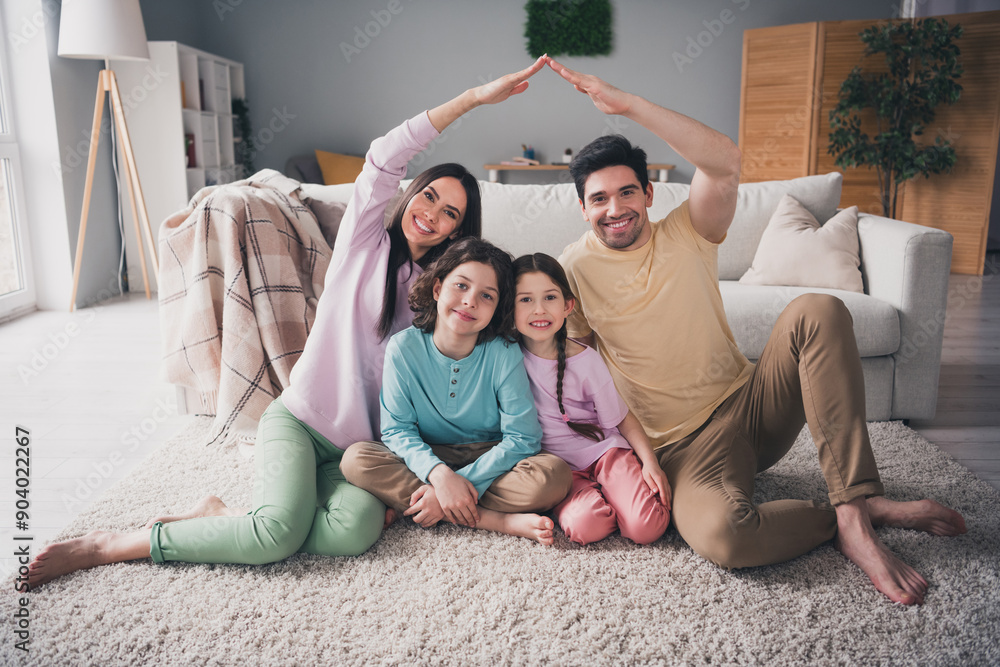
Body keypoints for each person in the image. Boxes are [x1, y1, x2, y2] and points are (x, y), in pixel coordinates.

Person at [27, 58, 548, 587]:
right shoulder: (365, 245)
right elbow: (384, 156)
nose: (431, 214)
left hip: (360, 452)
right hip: (300, 422)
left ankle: (225, 515)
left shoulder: (448, 297)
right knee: (274, 537)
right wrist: (473, 99)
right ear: (410, 195)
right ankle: (114, 545)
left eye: (450, 213)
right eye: (429, 196)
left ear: (459, 233)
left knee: (352, 534)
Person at [545, 56, 967, 605]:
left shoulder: (688, 230)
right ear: (582, 209)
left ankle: (855, 509)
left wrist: (628, 105)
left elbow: (724, 162)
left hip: (752, 403)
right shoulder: (570, 271)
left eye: (627, 192)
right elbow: (570, 364)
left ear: (649, 194)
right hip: (682, 451)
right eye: (598, 199)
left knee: (819, 310)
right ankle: (849, 517)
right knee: (726, 537)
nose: (615, 208)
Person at [341, 239, 572, 545]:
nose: (470, 301)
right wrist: (438, 475)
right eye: (461, 286)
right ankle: (496, 521)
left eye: (486, 296)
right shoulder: (403, 348)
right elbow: (397, 430)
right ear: (437, 289)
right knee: (356, 460)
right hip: (427, 456)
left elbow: (523, 437)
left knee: (553, 476)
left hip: (491, 458)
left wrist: (459, 483)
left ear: (496, 309)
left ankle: (425, 505)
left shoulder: (504, 352)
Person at [512, 253, 670, 545]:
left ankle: (623, 488)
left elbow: (621, 418)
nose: (539, 310)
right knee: (585, 528)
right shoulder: (505, 357)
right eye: (525, 300)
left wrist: (651, 464)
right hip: (559, 470)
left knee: (645, 528)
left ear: (567, 305)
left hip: (605, 454)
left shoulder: (586, 361)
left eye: (550, 297)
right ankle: (601, 497)